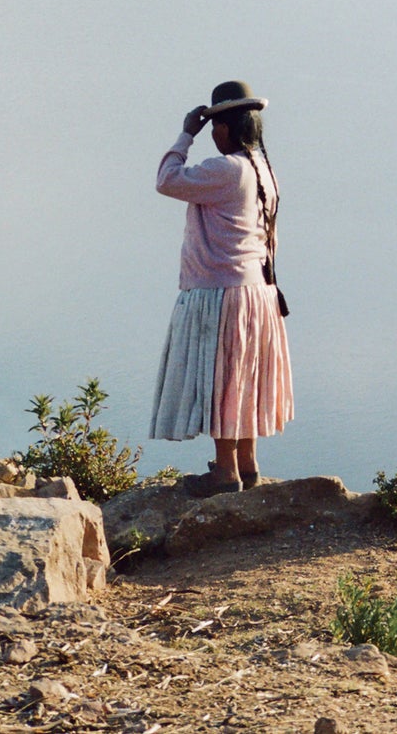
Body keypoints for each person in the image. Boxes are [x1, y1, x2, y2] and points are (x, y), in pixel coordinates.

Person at [150, 79, 293, 496]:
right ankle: (247, 465)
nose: (212, 133)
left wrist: (185, 134)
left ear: (225, 128)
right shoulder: (262, 169)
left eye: (214, 126)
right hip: (257, 290)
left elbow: (167, 179)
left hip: (222, 291)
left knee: (220, 379)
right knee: (243, 379)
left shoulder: (224, 170)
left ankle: (226, 472)